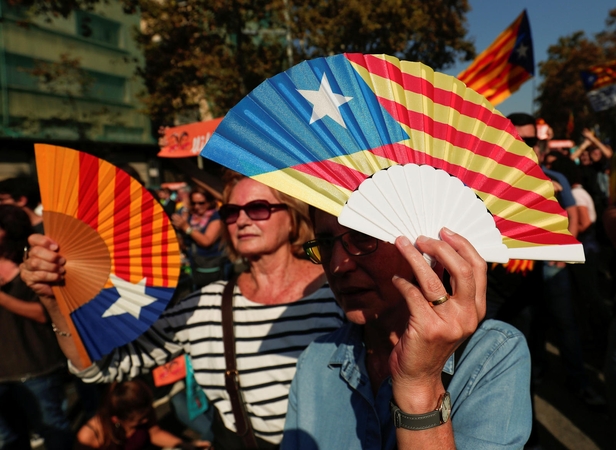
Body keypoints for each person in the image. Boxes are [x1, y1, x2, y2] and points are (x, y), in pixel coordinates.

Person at [20, 174, 346, 449]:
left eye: (257, 208)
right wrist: (54, 301)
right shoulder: (204, 307)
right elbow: (101, 367)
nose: (242, 219)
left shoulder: (341, 292)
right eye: (231, 212)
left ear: (293, 217)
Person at [281, 209, 532, 449]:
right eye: (325, 242)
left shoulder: (493, 354)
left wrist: (420, 384)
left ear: (425, 245)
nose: (338, 264)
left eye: (363, 236)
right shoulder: (316, 361)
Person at [0, 204, 72, 450]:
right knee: (11, 440)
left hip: (35, 368)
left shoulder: (32, 264)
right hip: (2, 374)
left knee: (54, 433)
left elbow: (43, 314)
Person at [75, 379, 209, 450]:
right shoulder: (89, 436)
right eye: (139, 420)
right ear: (116, 418)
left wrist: (185, 445)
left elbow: (154, 433)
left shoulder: (142, 410)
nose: (146, 421)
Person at [171, 186, 227, 289]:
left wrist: (186, 227)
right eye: (194, 203)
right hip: (193, 265)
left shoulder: (216, 216)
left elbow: (206, 241)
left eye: (201, 203)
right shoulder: (190, 216)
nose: (197, 206)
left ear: (210, 202)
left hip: (213, 266)